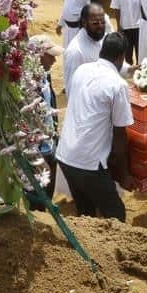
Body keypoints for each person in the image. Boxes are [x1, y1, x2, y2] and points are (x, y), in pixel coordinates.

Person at [56, 32, 132, 221]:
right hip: (89, 163)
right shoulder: (118, 85)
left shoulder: (82, 70)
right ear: (122, 57)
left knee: (85, 213)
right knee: (116, 215)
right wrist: (124, 174)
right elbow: (120, 135)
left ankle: (87, 248)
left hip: (65, 156)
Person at [28, 35, 62, 208]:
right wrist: (38, 156)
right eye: (50, 55)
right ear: (38, 55)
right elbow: (27, 124)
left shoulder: (45, 76)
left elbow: (51, 107)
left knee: (48, 194)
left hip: (50, 145)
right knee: (38, 197)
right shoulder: (27, 86)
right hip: (38, 152)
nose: (55, 60)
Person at [63, 3, 108, 93]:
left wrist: (132, 70)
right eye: (95, 23)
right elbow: (72, 89)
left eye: (103, 22)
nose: (100, 26)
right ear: (84, 22)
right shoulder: (75, 52)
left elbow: (111, 65)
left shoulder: (104, 38)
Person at [110, 0, 141, 64]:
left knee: (140, 52)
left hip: (139, 26)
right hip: (125, 28)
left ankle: (139, 73)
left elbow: (143, 6)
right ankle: (129, 76)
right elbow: (117, 10)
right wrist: (119, 26)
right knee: (127, 54)